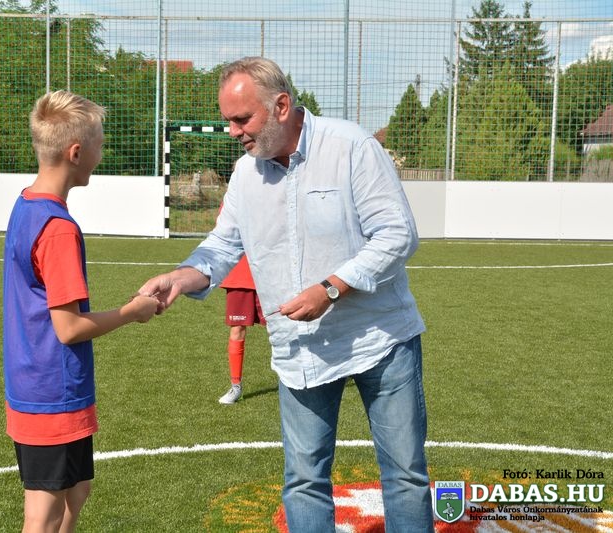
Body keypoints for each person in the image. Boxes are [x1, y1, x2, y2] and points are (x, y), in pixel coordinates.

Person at [138, 57, 434, 532]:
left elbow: (397, 235)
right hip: (302, 350)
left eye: (242, 119)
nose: (233, 131)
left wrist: (331, 288)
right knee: (304, 481)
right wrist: (182, 276)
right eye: (228, 120)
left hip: (381, 339)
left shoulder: (351, 147)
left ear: (281, 106)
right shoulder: (245, 174)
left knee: (404, 476)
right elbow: (222, 246)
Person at [3, 90, 159, 533]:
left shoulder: (26, 203)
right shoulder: (57, 229)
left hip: (40, 383)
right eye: (99, 145)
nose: (100, 154)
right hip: (51, 392)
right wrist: (133, 311)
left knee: (77, 489)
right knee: (44, 514)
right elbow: (68, 328)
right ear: (76, 153)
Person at [218, 254, 265, 404]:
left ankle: (292, 382)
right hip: (240, 277)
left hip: (270, 276)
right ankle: (235, 387)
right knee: (237, 329)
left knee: (280, 328)